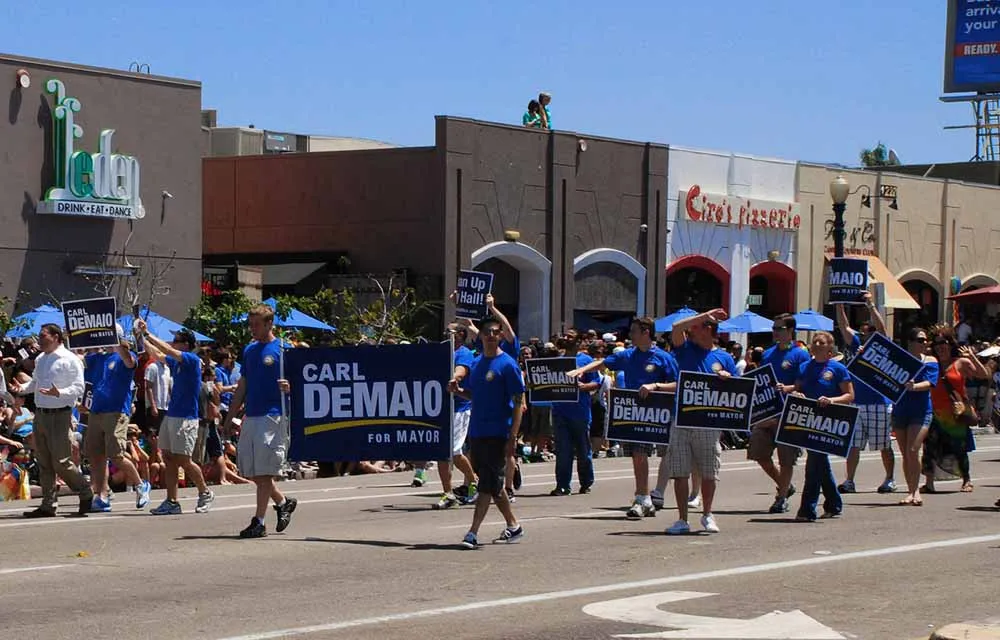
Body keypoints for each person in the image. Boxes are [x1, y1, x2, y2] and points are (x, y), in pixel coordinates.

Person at [567, 317, 678, 520]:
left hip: (658, 414)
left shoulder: (664, 357)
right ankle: (643, 497)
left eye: (634, 331)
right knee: (637, 454)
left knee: (658, 455)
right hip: (635, 413)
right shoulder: (628, 355)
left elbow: (678, 384)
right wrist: (581, 370)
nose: (630, 335)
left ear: (646, 332)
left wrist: (656, 386)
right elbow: (603, 363)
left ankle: (650, 496)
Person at [449, 318, 525, 548]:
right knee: (492, 484)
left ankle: (472, 533)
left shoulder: (508, 364)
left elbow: (518, 402)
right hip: (478, 431)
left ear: (500, 335)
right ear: (480, 336)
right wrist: (458, 391)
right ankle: (514, 525)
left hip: (498, 432)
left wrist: (513, 436)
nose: (491, 336)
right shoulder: (477, 363)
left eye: (495, 332)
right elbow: (475, 395)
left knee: (486, 485)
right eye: (487, 332)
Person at [222, 304, 297, 538]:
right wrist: (230, 417)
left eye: (256, 325)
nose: (252, 329)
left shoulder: (284, 348)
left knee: (264, 472)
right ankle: (283, 502)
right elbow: (242, 385)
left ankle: (259, 522)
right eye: (250, 324)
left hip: (273, 415)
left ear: (269, 324)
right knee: (253, 471)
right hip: (251, 415)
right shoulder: (249, 350)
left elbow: (303, 380)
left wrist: (291, 387)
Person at [664, 308, 735, 535]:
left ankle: (707, 514)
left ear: (709, 330)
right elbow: (676, 328)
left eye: (697, 326)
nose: (691, 329)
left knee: (709, 472)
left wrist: (727, 378)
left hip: (708, 421)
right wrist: (705, 315)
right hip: (682, 418)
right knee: (680, 471)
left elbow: (737, 390)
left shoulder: (724, 357)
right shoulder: (685, 349)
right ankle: (682, 519)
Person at [12, 324, 93, 518]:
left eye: (43, 336)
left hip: (60, 414)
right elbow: (35, 383)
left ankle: (85, 491)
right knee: (44, 461)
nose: (39, 340)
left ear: (56, 337)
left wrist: (60, 393)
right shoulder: (41, 359)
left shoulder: (70, 359)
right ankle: (48, 504)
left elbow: (79, 387)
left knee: (62, 461)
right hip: (41, 414)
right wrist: (21, 388)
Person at [136, 321, 215, 516]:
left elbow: (167, 350)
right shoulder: (177, 362)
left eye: (177, 340)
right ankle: (172, 501)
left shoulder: (191, 359)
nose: (173, 342)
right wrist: (141, 338)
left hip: (186, 417)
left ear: (186, 344)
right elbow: (158, 354)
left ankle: (205, 492)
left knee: (183, 459)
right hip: (172, 415)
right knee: (169, 458)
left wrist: (148, 333)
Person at [784, 331, 854, 522]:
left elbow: (849, 395)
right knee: (819, 462)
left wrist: (832, 400)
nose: (816, 344)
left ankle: (807, 509)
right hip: (808, 420)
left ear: (830, 348)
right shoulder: (804, 367)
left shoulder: (838, 368)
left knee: (814, 463)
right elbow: (798, 388)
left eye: (821, 342)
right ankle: (834, 503)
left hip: (829, 421)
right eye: (814, 342)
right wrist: (795, 393)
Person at [84, 326, 151, 512]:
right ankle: (102, 495)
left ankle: (140, 485)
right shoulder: (97, 358)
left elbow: (130, 362)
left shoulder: (124, 357)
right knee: (96, 456)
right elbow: (78, 360)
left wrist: (118, 342)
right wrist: (72, 338)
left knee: (116, 455)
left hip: (116, 412)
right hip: (96, 411)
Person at [748, 314, 810, 514]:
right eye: (774, 328)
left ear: (790, 331)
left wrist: (789, 388)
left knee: (786, 459)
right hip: (767, 413)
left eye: (779, 328)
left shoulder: (800, 354)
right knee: (759, 454)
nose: (775, 332)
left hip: (788, 413)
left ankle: (781, 498)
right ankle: (785, 485)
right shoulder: (767, 354)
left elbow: (803, 383)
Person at [835, 296, 896, 494]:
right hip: (857, 401)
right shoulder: (855, 345)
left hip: (878, 402)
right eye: (863, 331)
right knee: (853, 444)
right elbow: (843, 326)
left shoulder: (881, 346)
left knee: (884, 443)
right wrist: (839, 303)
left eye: (870, 331)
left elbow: (883, 329)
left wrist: (870, 305)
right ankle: (849, 480)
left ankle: (889, 478)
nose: (865, 334)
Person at [923, 325, 989, 494]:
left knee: (959, 449)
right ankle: (929, 483)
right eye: (936, 343)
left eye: (943, 342)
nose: (940, 347)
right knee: (929, 448)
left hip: (955, 412)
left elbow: (983, 375)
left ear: (950, 344)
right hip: (935, 412)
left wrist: (972, 357)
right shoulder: (931, 363)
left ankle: (967, 480)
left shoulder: (960, 363)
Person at [433, 322, 479, 510]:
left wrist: (455, 378)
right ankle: (448, 493)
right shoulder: (442, 351)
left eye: (450, 331)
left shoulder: (464, 353)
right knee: (442, 452)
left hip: (460, 408)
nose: (446, 333)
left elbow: (461, 371)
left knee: (453, 451)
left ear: (460, 334)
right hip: (441, 408)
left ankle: (474, 481)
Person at [891, 326, 938, 506]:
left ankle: (916, 491)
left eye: (925, 340)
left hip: (921, 411)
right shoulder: (901, 359)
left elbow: (930, 383)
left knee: (913, 449)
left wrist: (914, 386)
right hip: (901, 410)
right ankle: (910, 491)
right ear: (910, 342)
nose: (924, 343)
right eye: (920, 340)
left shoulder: (930, 361)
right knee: (905, 453)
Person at [549, 331, 599, 495]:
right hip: (560, 412)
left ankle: (586, 482)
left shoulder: (586, 361)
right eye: (565, 336)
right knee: (563, 451)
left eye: (570, 336)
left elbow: (596, 383)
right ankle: (562, 485)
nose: (566, 338)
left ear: (578, 342)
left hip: (580, 413)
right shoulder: (558, 360)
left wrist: (583, 387)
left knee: (583, 451)